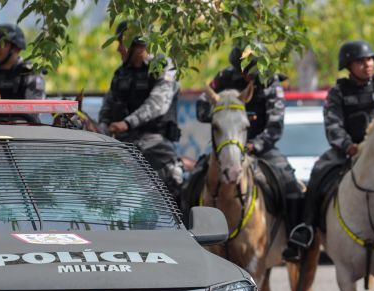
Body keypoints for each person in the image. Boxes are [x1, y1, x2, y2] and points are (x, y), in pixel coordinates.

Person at [283, 40, 374, 260]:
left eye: (370, 59)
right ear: (348, 65)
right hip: (350, 151)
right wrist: (348, 146)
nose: (368, 64)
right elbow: (333, 124)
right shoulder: (338, 92)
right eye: (361, 61)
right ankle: (306, 229)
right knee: (319, 173)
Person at [197, 47, 302, 241]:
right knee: (193, 179)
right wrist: (218, 112)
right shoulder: (223, 78)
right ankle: (190, 235)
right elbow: (202, 106)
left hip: (260, 148)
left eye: (253, 69)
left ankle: (295, 237)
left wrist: (254, 145)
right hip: (225, 148)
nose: (249, 75)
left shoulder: (271, 83)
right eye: (244, 70)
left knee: (290, 183)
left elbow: (275, 125)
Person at [98, 21, 183, 195]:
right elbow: (107, 107)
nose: (118, 49)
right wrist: (101, 128)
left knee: (175, 181)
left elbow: (157, 104)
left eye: (121, 44)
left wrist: (127, 123)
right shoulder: (121, 74)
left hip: (156, 143)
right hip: (123, 143)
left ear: (137, 47)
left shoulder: (162, 67)